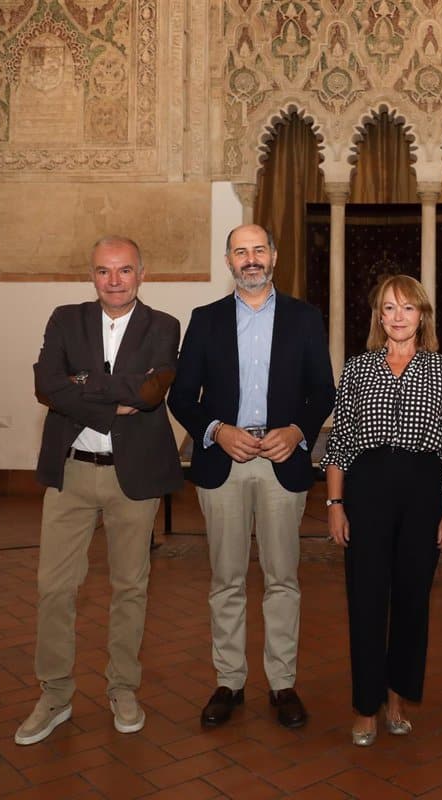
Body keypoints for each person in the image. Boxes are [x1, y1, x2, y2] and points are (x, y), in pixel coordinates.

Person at [16, 236, 184, 745]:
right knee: (54, 588)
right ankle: (55, 694)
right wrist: (113, 402)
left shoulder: (164, 326)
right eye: (104, 271)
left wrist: (82, 385)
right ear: (92, 275)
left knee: (130, 587)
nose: (114, 280)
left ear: (141, 273)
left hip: (133, 476)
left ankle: (123, 688)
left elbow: (152, 393)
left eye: (124, 271)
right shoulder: (66, 319)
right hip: (70, 474)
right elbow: (47, 385)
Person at [168, 224, 335, 729]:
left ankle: (283, 684)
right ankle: (230, 681)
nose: (251, 259)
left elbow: (323, 392)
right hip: (226, 464)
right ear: (229, 262)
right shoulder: (205, 321)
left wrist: (298, 430)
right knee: (227, 579)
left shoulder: (304, 319)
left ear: (274, 257)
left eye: (259, 249)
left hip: (282, 462)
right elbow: (180, 397)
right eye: (241, 251)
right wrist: (216, 431)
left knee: (283, 579)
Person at [321, 275, 442, 747]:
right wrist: (335, 504)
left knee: (412, 599)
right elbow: (340, 441)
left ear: (422, 315)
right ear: (379, 317)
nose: (398, 316)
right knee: (365, 598)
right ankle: (365, 706)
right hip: (367, 490)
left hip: (423, 492)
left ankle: (397, 695)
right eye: (389, 308)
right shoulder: (359, 369)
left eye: (408, 308)